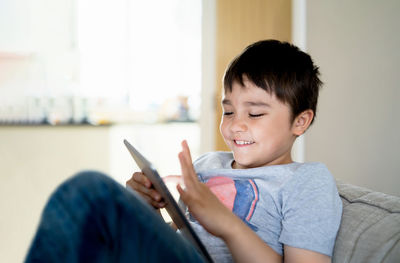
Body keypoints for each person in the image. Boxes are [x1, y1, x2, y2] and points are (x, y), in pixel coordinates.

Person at [25, 40, 342, 263]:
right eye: (229, 112)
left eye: (255, 114)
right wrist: (149, 207)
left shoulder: (307, 181)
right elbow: (182, 237)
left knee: (89, 190)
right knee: (91, 209)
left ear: (300, 121)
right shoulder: (208, 164)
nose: (235, 126)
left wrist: (227, 223)